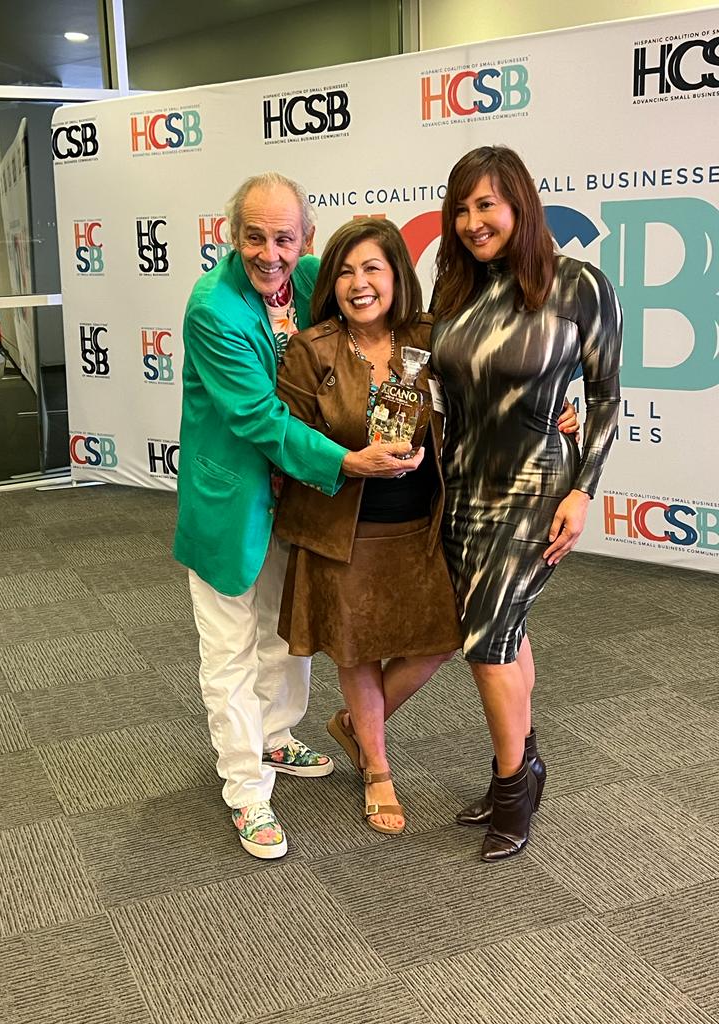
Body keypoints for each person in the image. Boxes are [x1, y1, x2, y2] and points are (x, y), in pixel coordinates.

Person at [173, 173, 424, 860]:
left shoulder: (313, 275)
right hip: (233, 502)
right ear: (233, 235)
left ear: (305, 238)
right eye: (254, 236)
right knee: (228, 650)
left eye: (284, 237)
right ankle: (246, 790)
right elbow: (258, 417)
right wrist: (347, 463)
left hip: (298, 503)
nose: (269, 253)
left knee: (284, 635)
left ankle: (276, 736)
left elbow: (380, 304)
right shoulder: (214, 310)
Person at [431, 146, 622, 861]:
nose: (473, 221)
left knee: (487, 638)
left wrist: (583, 490)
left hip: (536, 487)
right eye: (462, 207)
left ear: (520, 204)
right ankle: (526, 764)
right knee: (503, 630)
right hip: (465, 487)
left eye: (487, 204)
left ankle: (513, 788)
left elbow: (603, 397)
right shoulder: (455, 291)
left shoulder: (579, 287)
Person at [274, 218, 462, 835]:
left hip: (422, 525)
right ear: (332, 282)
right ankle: (378, 769)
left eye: (372, 268)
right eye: (347, 271)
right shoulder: (311, 349)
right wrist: (348, 460)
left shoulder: (430, 337)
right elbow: (287, 441)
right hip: (344, 528)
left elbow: (484, 393)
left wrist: (558, 405)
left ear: (396, 275)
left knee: (441, 639)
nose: (359, 284)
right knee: (355, 650)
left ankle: (356, 725)